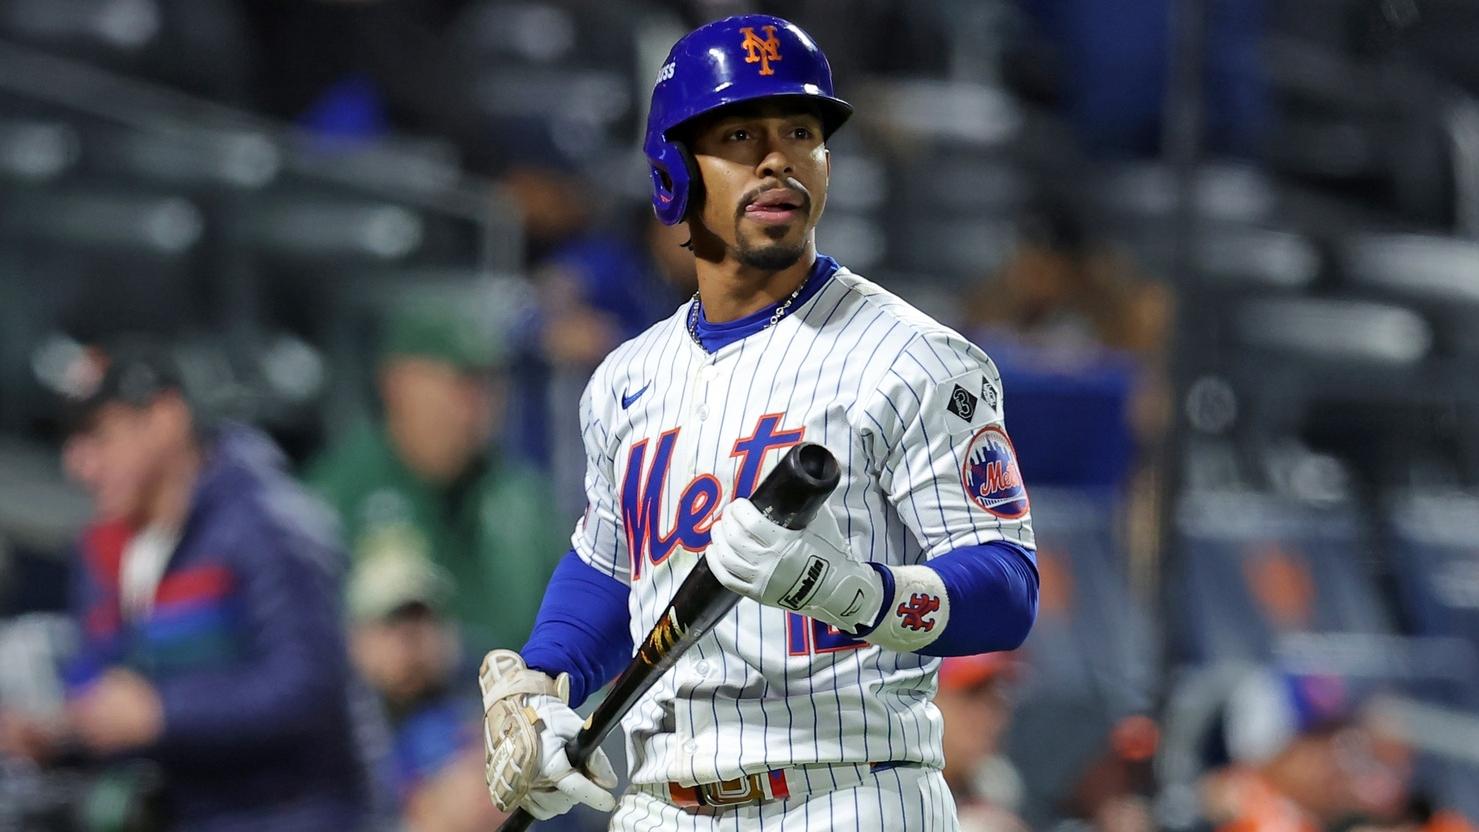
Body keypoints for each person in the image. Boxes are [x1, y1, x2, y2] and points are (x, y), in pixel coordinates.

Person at [478, 15, 1040, 830]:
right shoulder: (627, 378)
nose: (778, 157)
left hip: (846, 792)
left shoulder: (912, 358)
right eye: (740, 134)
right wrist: (546, 680)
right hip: (659, 803)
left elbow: (1005, 587)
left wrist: (849, 590)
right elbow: (610, 566)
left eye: (801, 132)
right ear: (672, 169)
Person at [0, 344, 374, 829]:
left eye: (98, 436)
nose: (78, 465)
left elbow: (309, 690)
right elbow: (101, 680)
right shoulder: (102, 548)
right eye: (69, 443)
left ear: (165, 418)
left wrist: (164, 713)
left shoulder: (269, 526)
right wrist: (62, 733)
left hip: (296, 814)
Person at [308, 301, 562, 654]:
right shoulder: (331, 499)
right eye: (458, 382)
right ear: (395, 383)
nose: (475, 405)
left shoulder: (522, 500)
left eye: (490, 384)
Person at [346, 549, 507, 832]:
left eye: (423, 620)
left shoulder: (486, 698)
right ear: (357, 638)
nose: (413, 640)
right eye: (394, 625)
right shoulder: (339, 725)